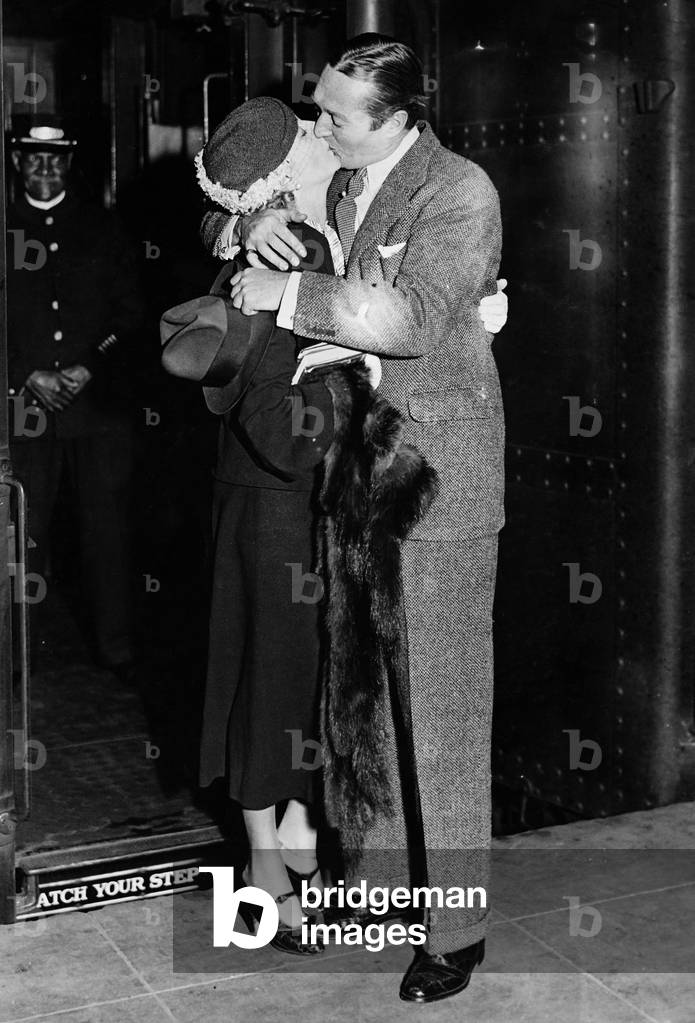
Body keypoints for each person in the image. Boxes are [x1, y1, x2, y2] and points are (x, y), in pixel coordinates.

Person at [202, 34, 505, 1003]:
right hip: (359, 482)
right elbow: (249, 212)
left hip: (440, 483)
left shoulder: (457, 190)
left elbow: (411, 318)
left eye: (333, 114)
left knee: (443, 719)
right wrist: (246, 240)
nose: (316, 127)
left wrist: (288, 294)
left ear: (397, 115)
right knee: (362, 703)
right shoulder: (343, 183)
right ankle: (373, 891)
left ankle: (455, 933)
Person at [177, 96, 440, 955]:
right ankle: (264, 869)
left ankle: (291, 839)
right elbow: (267, 397)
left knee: (293, 675)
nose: (329, 137)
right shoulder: (289, 239)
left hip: (284, 496)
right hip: (277, 494)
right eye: (312, 135)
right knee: (270, 673)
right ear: (286, 170)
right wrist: (350, 380)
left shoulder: (283, 226)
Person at [6, 117, 142, 679]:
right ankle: (20, 654)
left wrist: (90, 366)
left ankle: (116, 649)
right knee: (25, 532)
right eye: (33, 158)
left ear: (68, 161)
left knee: (105, 533)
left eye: (55, 157)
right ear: (17, 162)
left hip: (97, 407)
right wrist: (25, 374)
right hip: (27, 408)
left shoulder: (101, 227)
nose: (44, 167)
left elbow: (130, 313)